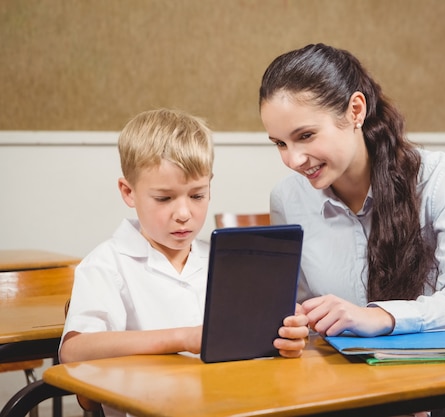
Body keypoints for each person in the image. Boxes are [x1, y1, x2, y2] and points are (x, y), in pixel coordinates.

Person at [259, 44, 445, 416]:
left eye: (306, 136)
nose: (293, 159)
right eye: (280, 143)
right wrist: (294, 326)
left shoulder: (438, 178)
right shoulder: (287, 198)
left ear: (355, 111)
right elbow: (303, 320)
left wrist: (381, 317)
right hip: (352, 392)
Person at [60, 108, 308, 416]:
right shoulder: (107, 265)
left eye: (197, 195)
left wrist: (284, 338)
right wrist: (184, 338)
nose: (183, 213)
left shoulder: (224, 262)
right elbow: (73, 352)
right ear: (128, 191)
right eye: (164, 198)